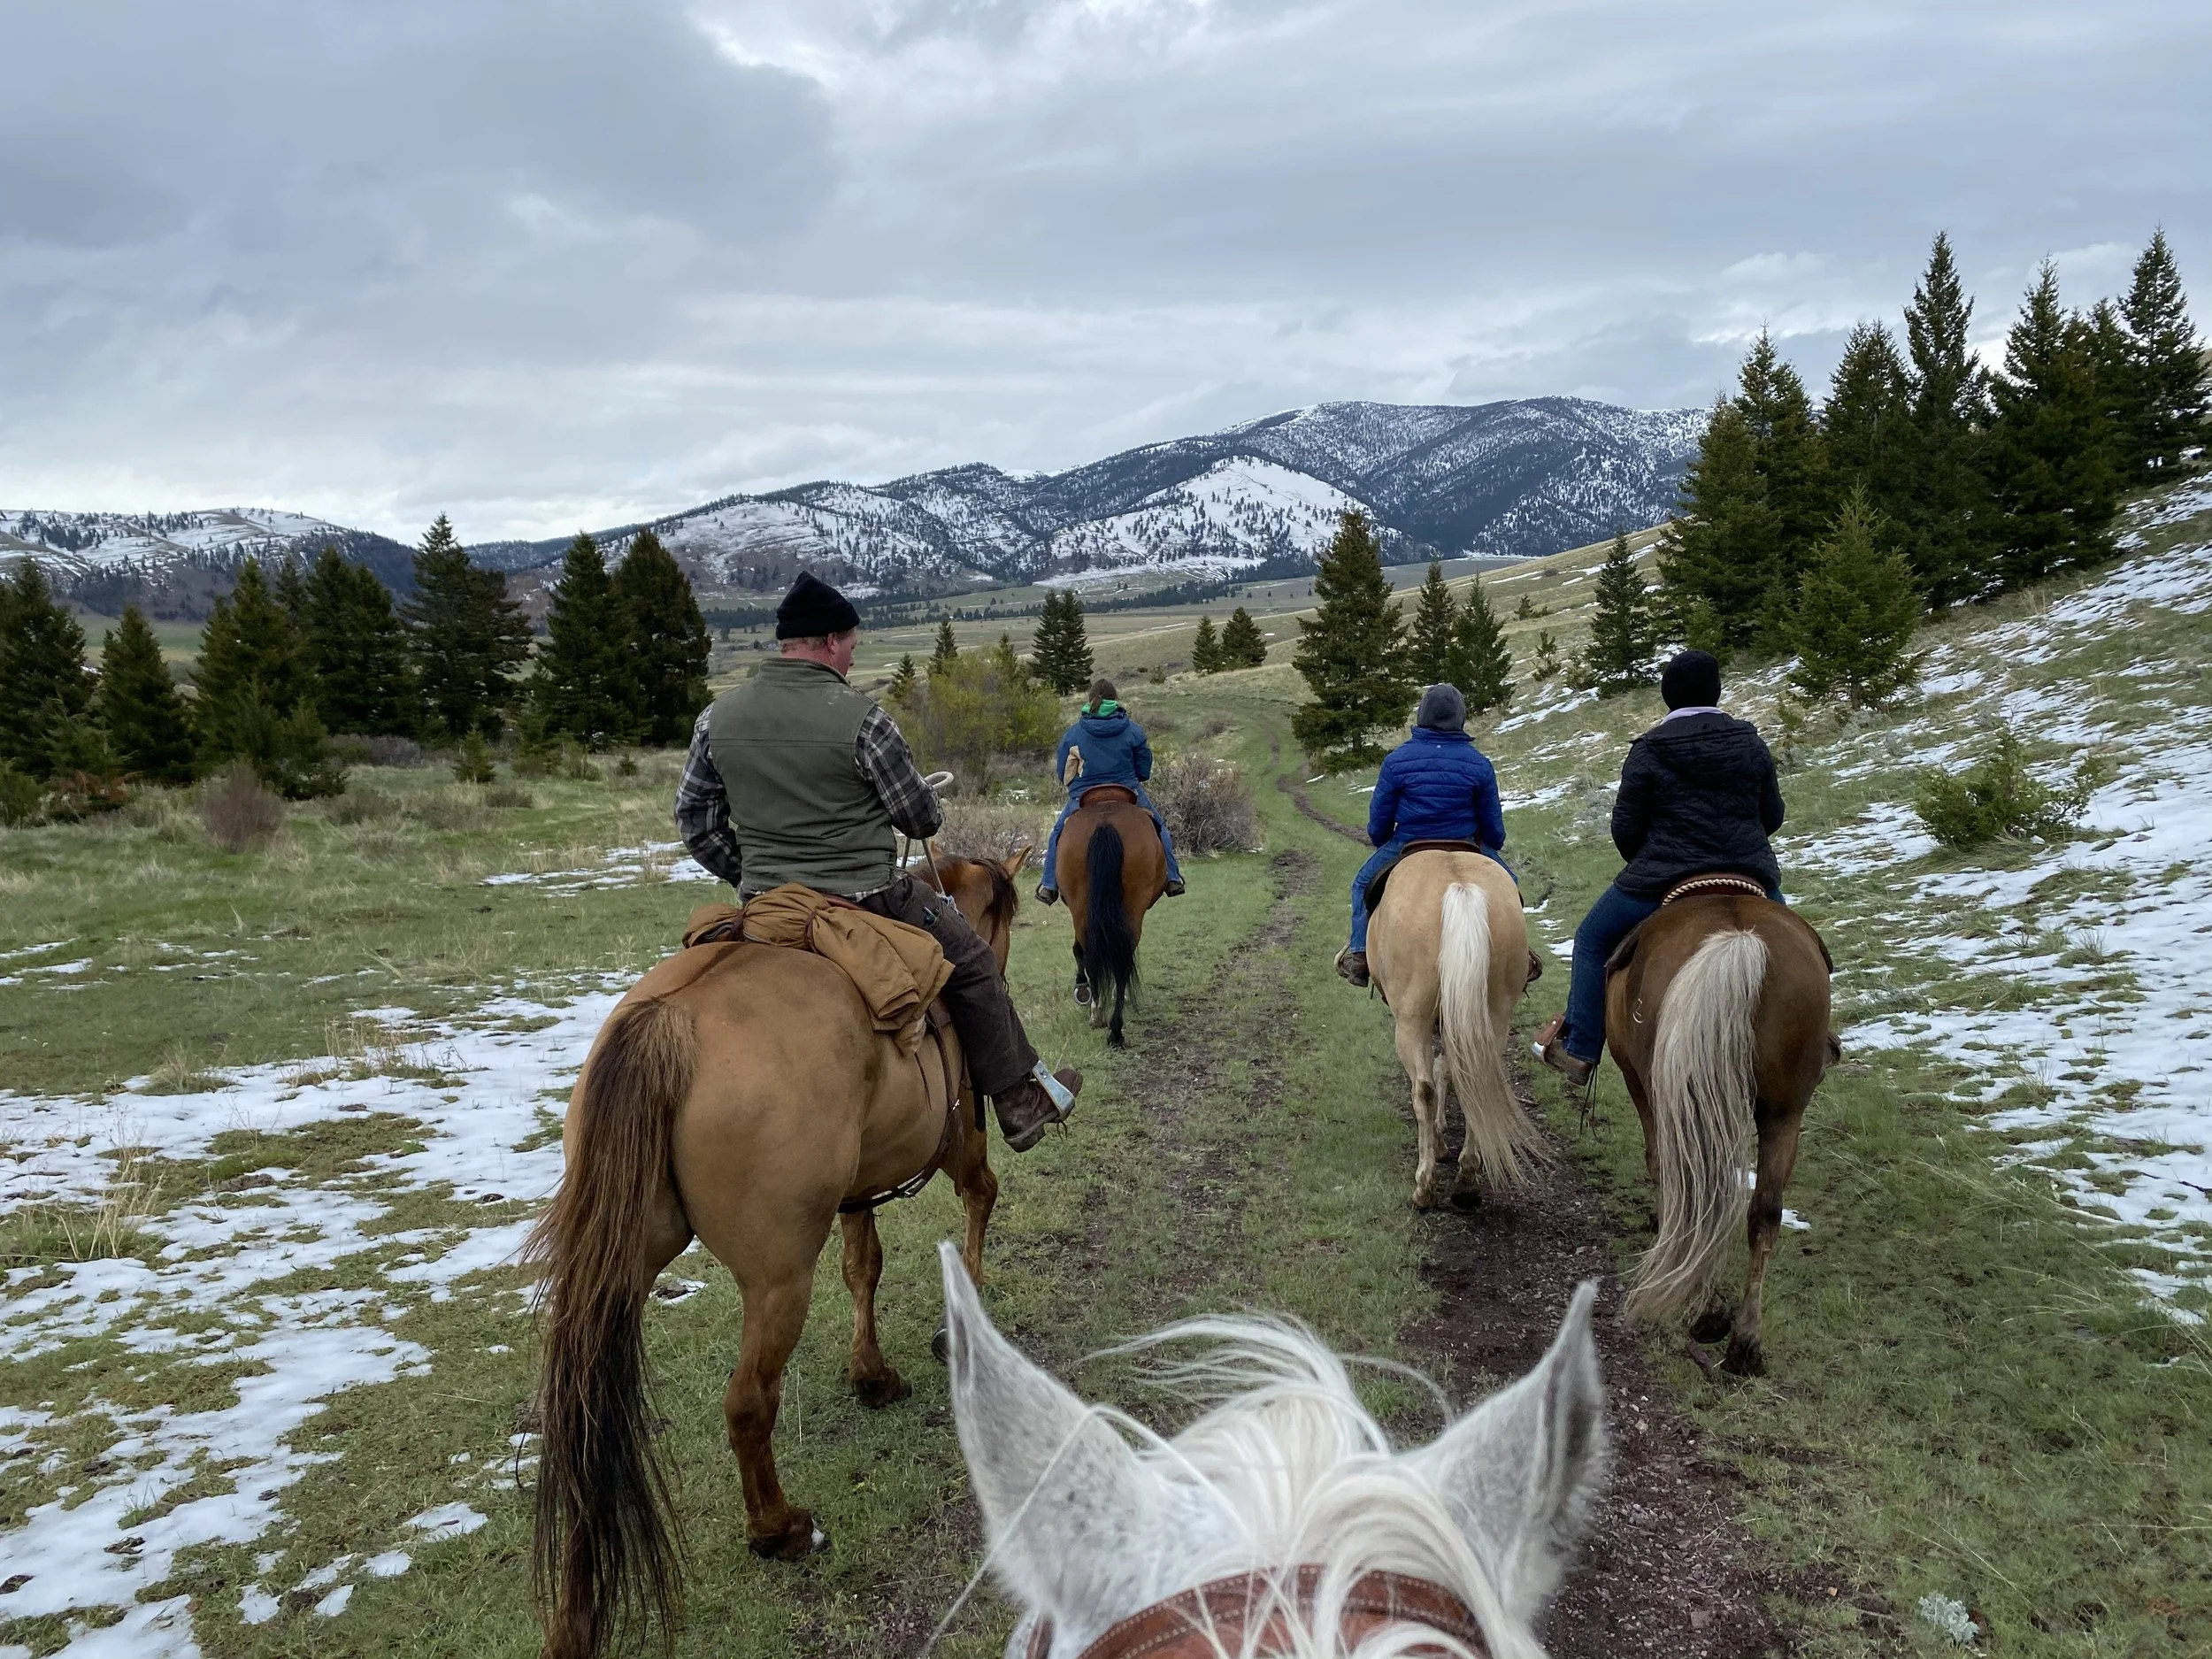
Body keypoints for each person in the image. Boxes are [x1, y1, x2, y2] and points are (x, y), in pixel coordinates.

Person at [674, 572, 1082, 1151]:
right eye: (851, 647)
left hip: (768, 905)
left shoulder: (716, 719)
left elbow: (694, 819)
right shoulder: (863, 718)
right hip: (870, 896)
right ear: (831, 641)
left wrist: (747, 874)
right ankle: (1019, 1102)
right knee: (971, 962)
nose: (851, 658)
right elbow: (921, 819)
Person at [1533, 649, 1786, 1087]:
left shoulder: (1649, 750)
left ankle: (1580, 1049)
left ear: (1668, 696)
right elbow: (1773, 815)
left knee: (1591, 938)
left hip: (1662, 878)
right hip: (1749, 874)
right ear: (1716, 691)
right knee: (1804, 946)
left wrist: (1656, 858)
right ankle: (1817, 1036)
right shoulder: (1750, 741)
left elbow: (1626, 831)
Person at [1334, 683, 1509, 989]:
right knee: (1510, 886)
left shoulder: (1397, 761)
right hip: (1467, 844)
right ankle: (1519, 955)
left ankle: (1360, 955)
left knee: (1362, 883)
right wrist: (1491, 846)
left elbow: (1378, 823)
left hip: (1409, 843)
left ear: (1422, 716)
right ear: (1460, 718)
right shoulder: (1479, 764)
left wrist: (1383, 841)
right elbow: (1494, 829)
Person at [1033, 679, 1187, 905]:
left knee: (1057, 833)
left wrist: (1077, 787)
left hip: (1085, 793)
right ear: (1115, 700)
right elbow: (1144, 770)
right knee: (1159, 826)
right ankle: (1173, 878)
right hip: (1126, 789)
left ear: (1090, 700)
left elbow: (1063, 773)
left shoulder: (1073, 734)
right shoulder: (1133, 730)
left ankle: (1049, 885)